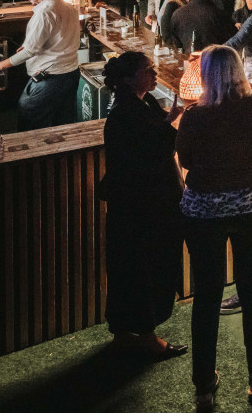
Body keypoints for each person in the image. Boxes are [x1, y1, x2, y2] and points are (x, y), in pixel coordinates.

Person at [176, 45, 252, 409]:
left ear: (205, 76)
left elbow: (186, 160)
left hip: (204, 213)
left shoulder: (194, 116)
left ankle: (204, 385)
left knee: (207, 295)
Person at [101, 52, 186, 358]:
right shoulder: (125, 112)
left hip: (138, 205)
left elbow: (152, 137)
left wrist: (168, 119)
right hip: (141, 207)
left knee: (129, 267)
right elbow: (150, 153)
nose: (154, 74)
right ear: (128, 79)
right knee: (144, 268)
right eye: (148, 70)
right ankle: (147, 335)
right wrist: (172, 122)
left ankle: (123, 331)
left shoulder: (141, 102)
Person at [0, 0, 80, 131]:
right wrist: (29, 46)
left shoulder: (45, 13)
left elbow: (29, 52)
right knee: (63, 123)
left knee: (30, 118)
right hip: (71, 74)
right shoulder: (69, 7)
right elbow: (59, 38)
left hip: (50, 77)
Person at [168, 0, 235, 52]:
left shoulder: (177, 15)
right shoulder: (221, 16)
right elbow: (231, 43)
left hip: (188, 58)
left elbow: (177, 45)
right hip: (214, 58)